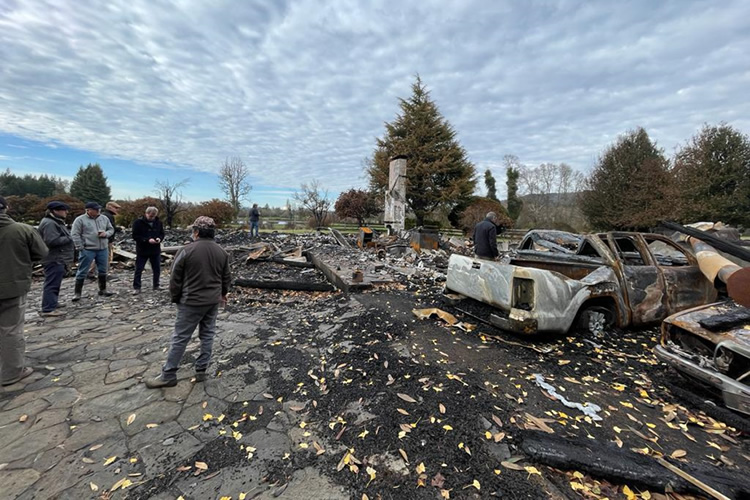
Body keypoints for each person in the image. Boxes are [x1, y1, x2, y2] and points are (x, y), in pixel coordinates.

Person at [146, 216, 231, 388]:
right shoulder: (222, 252)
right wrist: (222, 294)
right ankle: (201, 369)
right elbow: (226, 278)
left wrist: (175, 297)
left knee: (180, 337)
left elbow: (174, 278)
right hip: (212, 301)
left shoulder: (186, 250)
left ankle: (168, 375)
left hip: (191, 301)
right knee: (207, 334)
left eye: (193, 230)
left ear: (197, 232)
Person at [0, 196, 48, 386]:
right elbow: (42, 253)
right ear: (6, 207)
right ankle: (11, 372)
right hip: (12, 285)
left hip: (12, 285)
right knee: (10, 330)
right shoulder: (22, 230)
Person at [71, 202, 115, 301]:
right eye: (95, 209)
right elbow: (75, 234)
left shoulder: (104, 218)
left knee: (103, 270)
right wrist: (80, 247)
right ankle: (77, 293)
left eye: (98, 209)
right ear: (88, 210)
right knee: (82, 271)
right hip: (88, 249)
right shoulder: (80, 220)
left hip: (102, 249)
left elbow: (111, 229)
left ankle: (102, 290)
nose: (98, 211)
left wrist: (106, 234)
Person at [37, 201, 75, 316]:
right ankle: (48, 308)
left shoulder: (55, 222)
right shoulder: (50, 223)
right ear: (55, 211)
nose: (66, 212)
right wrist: (69, 238)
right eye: (64, 210)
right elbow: (51, 241)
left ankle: (52, 302)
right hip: (54, 258)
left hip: (58, 257)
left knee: (55, 282)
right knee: (52, 283)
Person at [132, 206, 165, 294]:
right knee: (139, 269)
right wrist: (146, 240)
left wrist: (159, 239)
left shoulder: (159, 222)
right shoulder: (138, 223)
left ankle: (156, 285)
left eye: (153, 216)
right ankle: (137, 287)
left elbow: (162, 233)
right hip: (142, 250)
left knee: (157, 268)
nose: (152, 218)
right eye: (150, 216)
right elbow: (135, 236)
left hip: (155, 250)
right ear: (146, 214)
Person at [101, 201, 122, 275]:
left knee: (101, 256)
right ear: (110, 207)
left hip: (105, 239)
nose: (117, 210)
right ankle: (105, 273)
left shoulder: (104, 215)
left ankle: (91, 271)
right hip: (107, 239)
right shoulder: (108, 216)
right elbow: (110, 228)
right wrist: (119, 229)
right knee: (107, 256)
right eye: (115, 208)